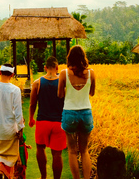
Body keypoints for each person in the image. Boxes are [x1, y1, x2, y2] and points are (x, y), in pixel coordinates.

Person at [58, 45, 96, 179]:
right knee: (84, 150)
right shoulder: (91, 73)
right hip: (86, 112)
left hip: (70, 113)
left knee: (72, 151)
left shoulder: (64, 73)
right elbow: (92, 93)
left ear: (70, 58)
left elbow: (60, 95)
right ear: (83, 57)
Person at [29, 56, 66, 179]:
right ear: (57, 67)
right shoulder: (63, 83)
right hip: (59, 122)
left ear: (45, 67)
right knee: (57, 154)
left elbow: (32, 103)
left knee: (40, 147)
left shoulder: (37, 83)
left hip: (42, 121)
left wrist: (31, 118)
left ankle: (43, 176)